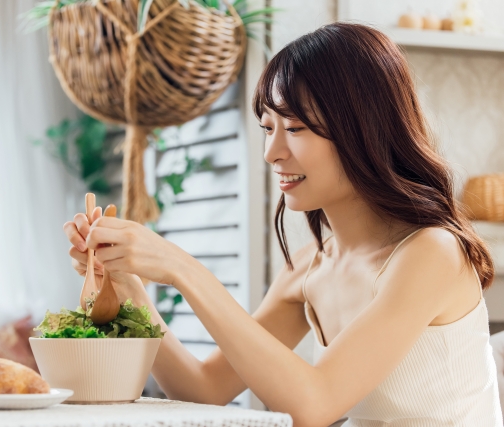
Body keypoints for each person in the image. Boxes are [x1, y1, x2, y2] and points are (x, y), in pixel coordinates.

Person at [63, 23, 502, 426]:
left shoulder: (432, 252)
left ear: (364, 129)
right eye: (267, 127)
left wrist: (182, 267)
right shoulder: (310, 267)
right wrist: (130, 288)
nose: (272, 152)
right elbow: (203, 388)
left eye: (294, 127)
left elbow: (316, 403)